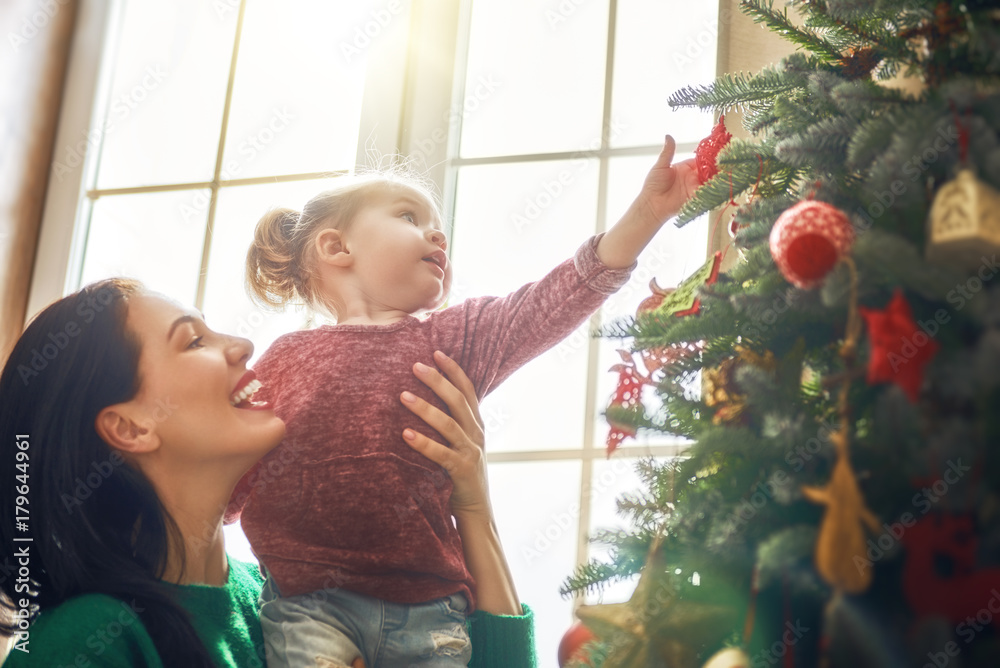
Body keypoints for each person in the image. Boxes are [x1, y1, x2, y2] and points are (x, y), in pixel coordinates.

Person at [234, 136, 699, 666]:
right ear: (337, 248)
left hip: (430, 613)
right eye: (409, 216)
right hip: (307, 607)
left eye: (439, 228)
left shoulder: (454, 336)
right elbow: (225, 474)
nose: (436, 233)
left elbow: (556, 297)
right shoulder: (281, 360)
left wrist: (648, 212)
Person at [0, 278, 537, 667]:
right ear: (132, 428)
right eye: (194, 341)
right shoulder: (83, 642)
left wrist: (471, 508)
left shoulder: (288, 597)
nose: (242, 346)